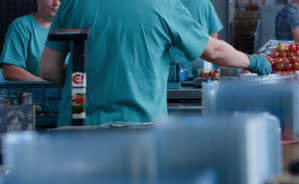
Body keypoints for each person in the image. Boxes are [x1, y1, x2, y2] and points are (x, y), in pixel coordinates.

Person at [40, 0, 271, 127]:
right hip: (140, 126)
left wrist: (87, 80)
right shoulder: (162, 5)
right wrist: (254, 62)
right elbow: (215, 50)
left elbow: (48, 69)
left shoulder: (72, 2)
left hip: (78, 125)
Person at [0, 0, 61, 81]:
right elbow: (10, 70)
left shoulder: (70, 28)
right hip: (31, 92)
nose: (56, 4)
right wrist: (45, 86)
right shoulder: (21, 26)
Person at [169, 0, 223, 78]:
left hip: (173, 72)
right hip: (203, 72)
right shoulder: (204, 3)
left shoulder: (166, 3)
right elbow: (214, 41)